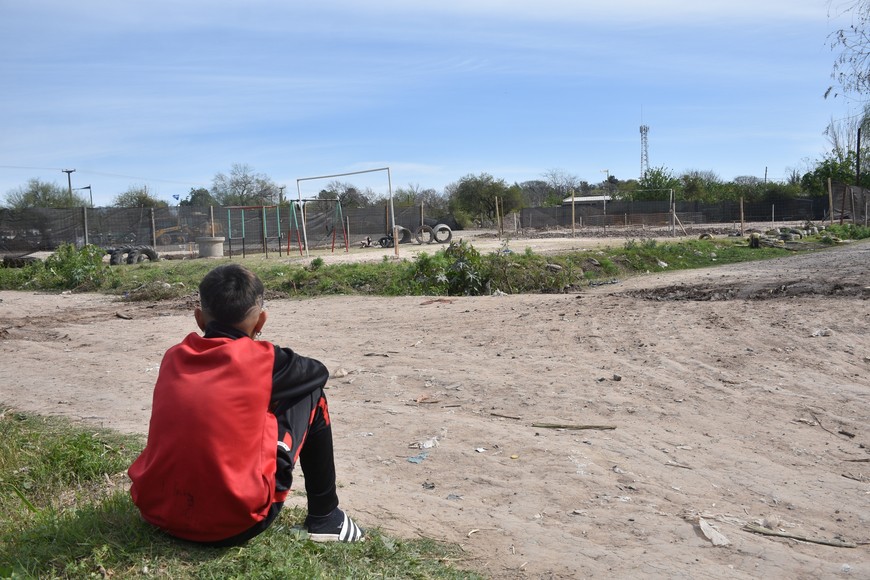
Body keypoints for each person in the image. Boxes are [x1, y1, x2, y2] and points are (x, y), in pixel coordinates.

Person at [128, 263, 363, 545]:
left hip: (157, 513)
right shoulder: (266, 361)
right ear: (261, 321)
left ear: (199, 318)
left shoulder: (174, 356)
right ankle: (326, 517)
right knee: (311, 394)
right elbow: (317, 373)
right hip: (236, 523)